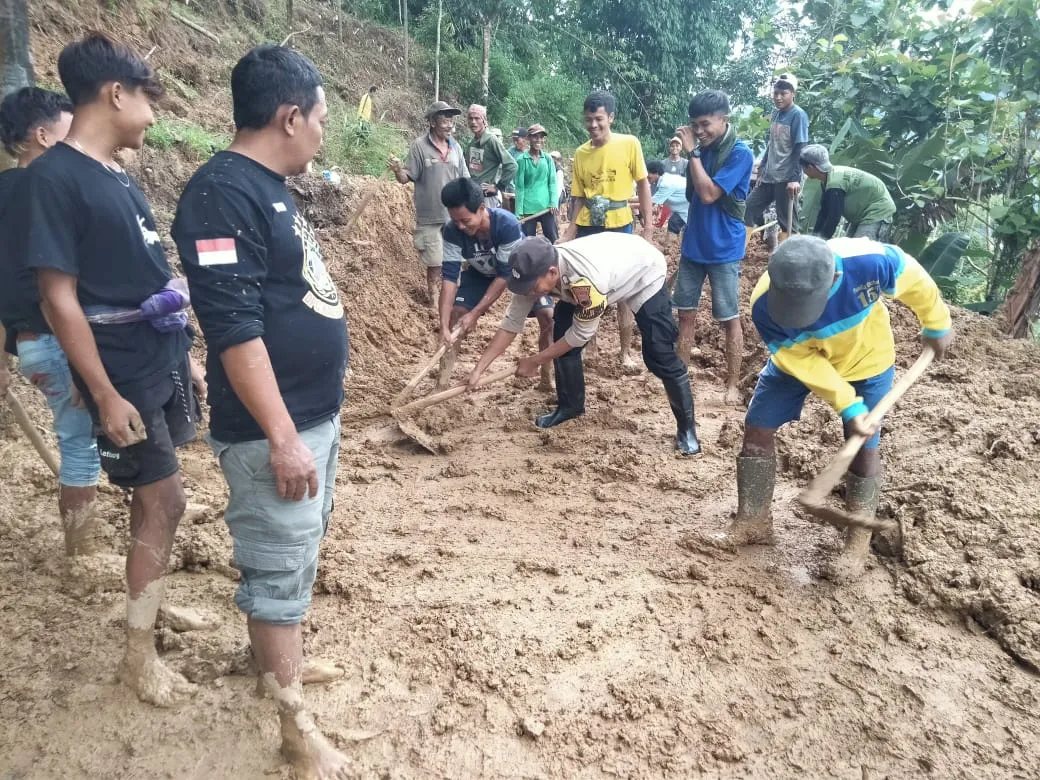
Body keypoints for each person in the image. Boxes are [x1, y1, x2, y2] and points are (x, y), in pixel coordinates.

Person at [172, 45, 352, 780]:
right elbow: (234, 328)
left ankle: (280, 669)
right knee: (276, 569)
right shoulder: (221, 194)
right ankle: (295, 732)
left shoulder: (267, 187)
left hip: (311, 417)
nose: (323, 134)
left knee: (299, 550)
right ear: (289, 116)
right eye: (321, 119)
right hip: (274, 431)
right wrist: (281, 435)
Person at [10, 33, 200, 705]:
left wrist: (185, 357)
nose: (152, 115)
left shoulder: (114, 173)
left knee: (155, 500)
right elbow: (57, 298)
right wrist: (103, 392)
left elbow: (144, 276)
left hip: (154, 359)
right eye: (148, 99)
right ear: (115, 94)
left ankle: (148, 602)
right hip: (118, 371)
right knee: (165, 500)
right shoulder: (54, 178)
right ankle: (137, 655)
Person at [724, 236, 953, 581]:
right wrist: (848, 405)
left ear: (833, 278)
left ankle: (856, 545)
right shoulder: (764, 304)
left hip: (867, 360)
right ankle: (753, 520)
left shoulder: (870, 262)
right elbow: (802, 361)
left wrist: (936, 323)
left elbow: (915, 279)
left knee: (864, 445)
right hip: (798, 361)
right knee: (757, 426)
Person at [468, 234, 702, 456]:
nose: (528, 292)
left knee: (659, 353)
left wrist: (536, 360)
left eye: (532, 287)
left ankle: (687, 430)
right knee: (561, 332)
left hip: (642, 273)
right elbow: (511, 324)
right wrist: (479, 370)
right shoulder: (532, 274)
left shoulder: (586, 281)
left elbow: (580, 335)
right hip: (605, 270)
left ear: (552, 272)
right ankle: (570, 407)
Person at [0, 87, 104, 561]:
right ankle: (81, 554)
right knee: (81, 446)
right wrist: (84, 364)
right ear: (41, 136)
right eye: (69, 131)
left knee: (85, 438)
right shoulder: (47, 192)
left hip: (31, 347)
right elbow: (55, 290)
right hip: (60, 341)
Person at [562, 90, 653, 370]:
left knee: (624, 290)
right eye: (588, 119)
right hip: (589, 227)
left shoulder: (629, 144)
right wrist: (570, 230)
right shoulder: (581, 153)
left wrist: (648, 228)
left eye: (599, 119)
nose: (593, 125)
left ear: (610, 118)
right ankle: (591, 346)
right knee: (586, 289)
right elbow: (578, 197)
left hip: (619, 225)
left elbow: (643, 184)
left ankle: (625, 351)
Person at [673, 90, 753, 406]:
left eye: (705, 124)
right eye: (695, 125)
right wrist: (695, 153)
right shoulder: (702, 150)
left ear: (724, 119)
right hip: (694, 245)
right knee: (685, 315)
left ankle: (732, 385)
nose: (700, 131)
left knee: (729, 318)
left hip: (724, 250)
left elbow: (708, 195)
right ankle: (680, 378)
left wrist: (692, 153)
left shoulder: (740, 154)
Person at [437, 177, 554, 389]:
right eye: (455, 221)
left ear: (481, 209)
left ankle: (547, 377)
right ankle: (442, 382)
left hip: (519, 273)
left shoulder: (506, 224)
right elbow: (450, 278)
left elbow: (504, 276)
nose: (460, 226)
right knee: (456, 315)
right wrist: (443, 325)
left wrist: (476, 313)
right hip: (480, 274)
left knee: (547, 316)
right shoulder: (451, 231)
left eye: (465, 220)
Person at [389, 101, 469, 308]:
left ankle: (453, 303)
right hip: (430, 218)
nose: (450, 125)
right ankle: (434, 305)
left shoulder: (456, 147)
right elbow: (406, 177)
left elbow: (465, 179)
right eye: (445, 120)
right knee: (435, 264)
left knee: (455, 263)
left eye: (451, 121)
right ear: (432, 122)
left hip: (455, 218)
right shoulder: (419, 146)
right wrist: (397, 170)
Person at [744, 73, 809, 240]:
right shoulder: (776, 113)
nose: (778, 97)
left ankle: (789, 254)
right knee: (748, 209)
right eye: (776, 93)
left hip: (786, 178)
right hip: (769, 176)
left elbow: (800, 148)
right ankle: (738, 250)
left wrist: (794, 179)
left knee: (787, 222)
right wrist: (762, 166)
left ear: (793, 93)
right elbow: (772, 143)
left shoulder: (798, 115)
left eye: (783, 93)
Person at [798, 144, 896, 241]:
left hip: (877, 211)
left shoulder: (835, 184)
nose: (803, 171)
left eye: (803, 168)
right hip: (862, 215)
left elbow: (833, 217)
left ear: (810, 168)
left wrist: (822, 241)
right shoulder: (829, 179)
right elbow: (824, 213)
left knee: (861, 248)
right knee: (850, 247)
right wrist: (815, 237)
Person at [463, 103, 517, 209]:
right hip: (472, 195)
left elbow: (512, 165)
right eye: (470, 118)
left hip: (487, 198)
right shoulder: (471, 143)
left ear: (484, 120)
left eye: (477, 118)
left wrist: (498, 187)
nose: (473, 122)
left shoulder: (491, 140)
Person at [515, 123, 559, 243]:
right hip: (528, 209)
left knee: (553, 238)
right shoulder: (522, 160)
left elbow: (552, 182)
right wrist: (519, 212)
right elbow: (520, 187)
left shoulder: (548, 159)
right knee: (528, 241)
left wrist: (553, 202)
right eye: (535, 137)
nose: (538, 140)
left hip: (546, 207)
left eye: (541, 137)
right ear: (528, 138)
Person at [645, 159, 688, 254]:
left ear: (656, 173)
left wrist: (626, 200)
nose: (647, 177)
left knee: (682, 225)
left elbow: (649, 202)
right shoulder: (666, 179)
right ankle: (670, 247)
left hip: (690, 207)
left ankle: (670, 249)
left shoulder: (666, 184)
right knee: (674, 222)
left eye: (648, 174)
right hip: (685, 207)